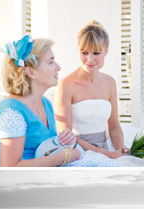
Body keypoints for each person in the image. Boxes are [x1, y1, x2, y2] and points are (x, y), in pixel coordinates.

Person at [0, 36, 144, 168]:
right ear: (31, 72)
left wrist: (65, 139)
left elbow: (49, 146)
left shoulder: (45, 104)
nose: (59, 67)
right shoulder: (11, 112)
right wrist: (63, 157)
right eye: (51, 62)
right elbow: (9, 168)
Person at [53, 21, 129, 161]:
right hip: (77, 152)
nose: (90, 59)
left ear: (106, 50)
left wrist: (120, 150)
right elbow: (66, 137)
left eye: (96, 53)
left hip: (107, 148)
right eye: (84, 52)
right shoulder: (65, 85)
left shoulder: (110, 82)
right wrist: (107, 155)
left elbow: (114, 126)